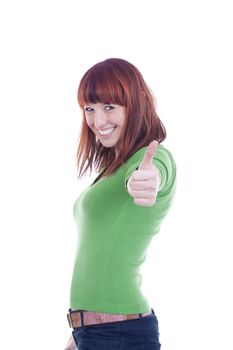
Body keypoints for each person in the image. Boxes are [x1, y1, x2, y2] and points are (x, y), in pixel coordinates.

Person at [64, 58, 177, 350]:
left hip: (119, 334)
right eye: (90, 109)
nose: (97, 121)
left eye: (109, 107)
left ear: (135, 104)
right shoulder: (113, 168)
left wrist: (146, 180)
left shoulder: (150, 158)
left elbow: (151, 173)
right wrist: (77, 335)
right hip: (94, 333)